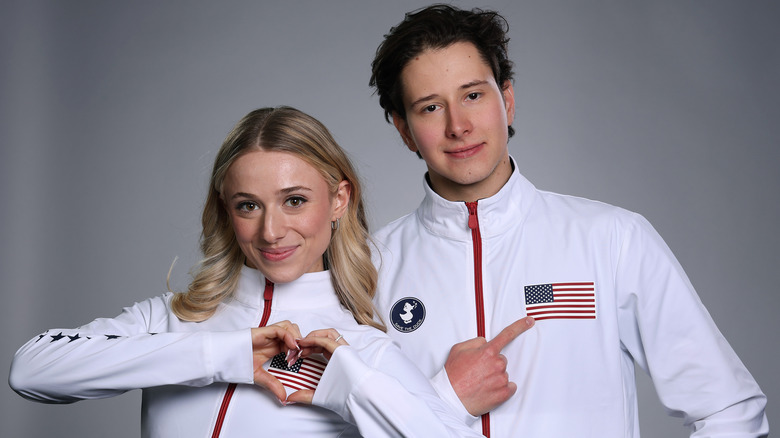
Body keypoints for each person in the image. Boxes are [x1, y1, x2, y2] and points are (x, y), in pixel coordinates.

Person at [368, 4, 768, 437]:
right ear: (404, 129)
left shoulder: (613, 240)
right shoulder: (368, 267)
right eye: (430, 108)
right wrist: (445, 398)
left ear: (507, 101)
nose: (458, 125)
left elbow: (729, 411)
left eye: (473, 95)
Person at [9, 106, 490, 437]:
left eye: (295, 201)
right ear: (226, 209)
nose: (271, 231)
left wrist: (352, 388)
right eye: (248, 206)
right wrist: (226, 355)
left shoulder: (358, 348)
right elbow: (32, 369)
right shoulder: (173, 321)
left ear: (339, 200)